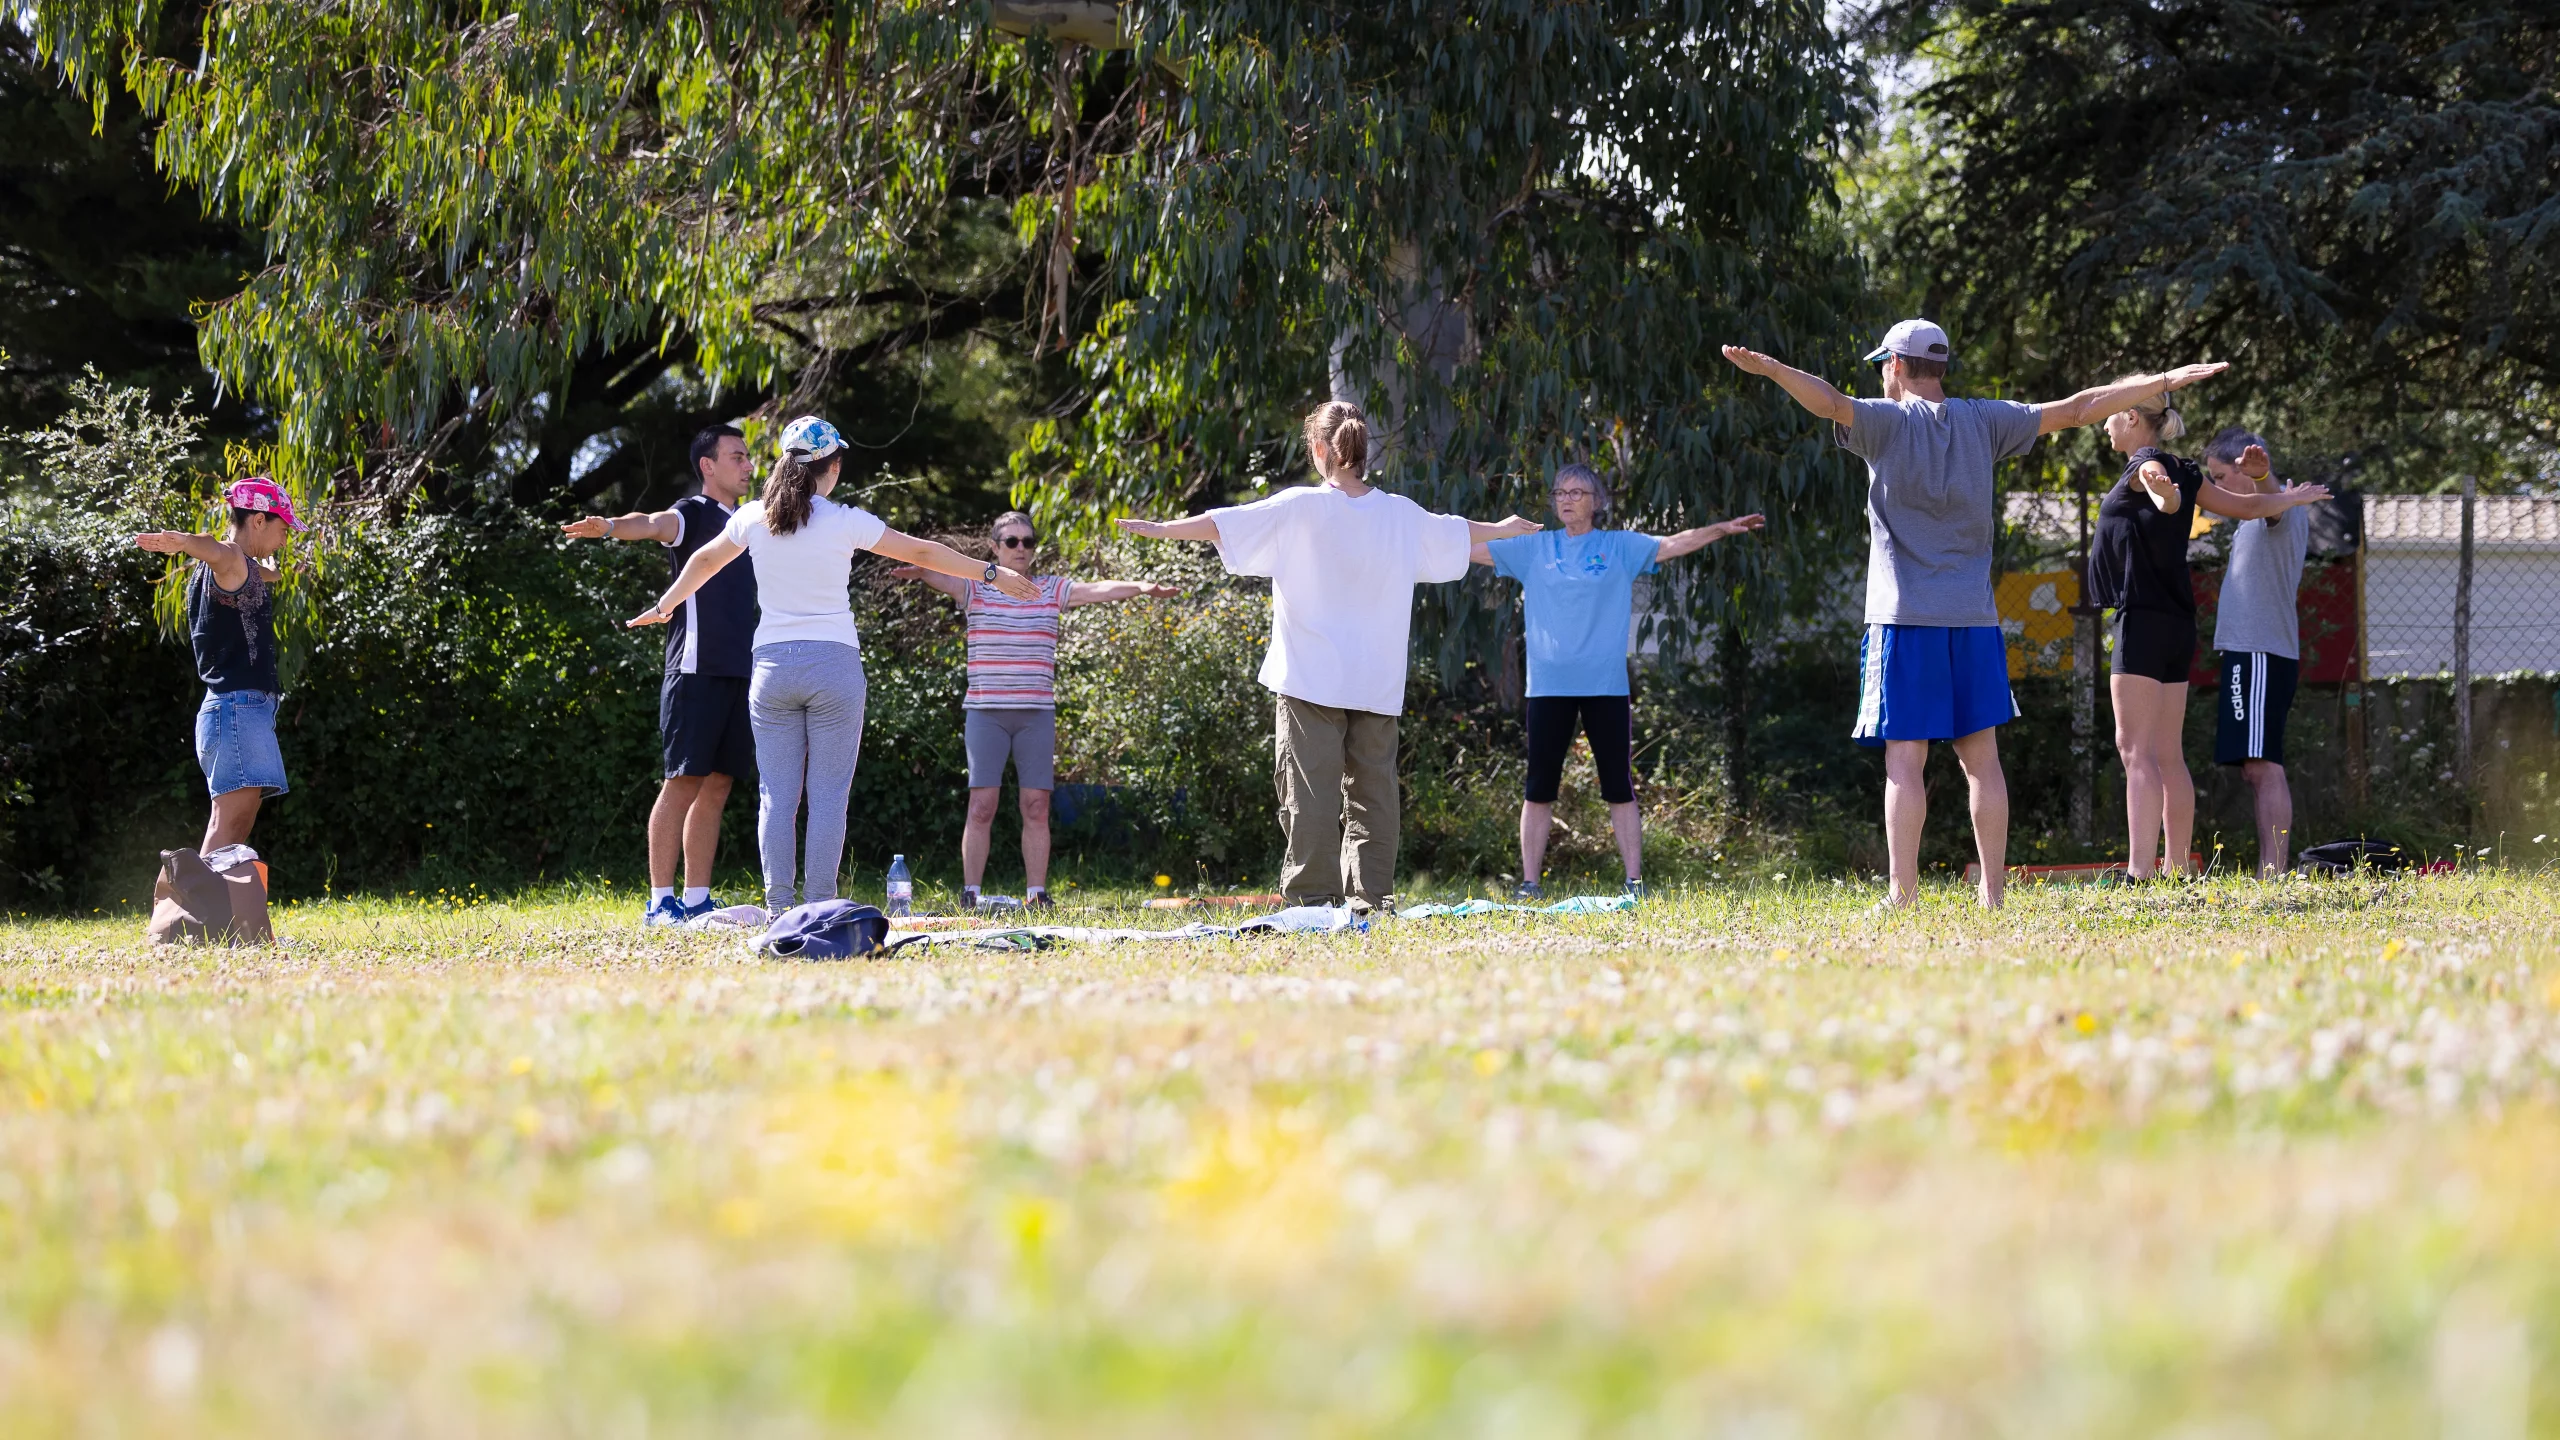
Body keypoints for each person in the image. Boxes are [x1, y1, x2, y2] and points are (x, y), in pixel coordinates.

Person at [1722, 320, 2229, 909]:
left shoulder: (1883, 423)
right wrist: (2163, 379)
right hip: (1974, 621)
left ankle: (1902, 895)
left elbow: (1829, 402)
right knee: (1982, 761)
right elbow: (2078, 408)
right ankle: (1992, 894)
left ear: (1894, 367)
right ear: (1940, 368)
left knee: (1904, 762)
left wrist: (1774, 371)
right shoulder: (1985, 419)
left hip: (1904, 621)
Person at [1117, 400, 1538, 909]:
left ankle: (1314, 902)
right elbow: (1457, 531)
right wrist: (1501, 527)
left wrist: (1165, 530)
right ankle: (1370, 897)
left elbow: (1224, 522)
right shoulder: (1401, 514)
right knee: (1374, 796)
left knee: (1309, 796)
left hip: (1309, 679)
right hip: (1376, 682)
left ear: (1320, 449)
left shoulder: (1298, 507)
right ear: (1362, 450)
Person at [630, 417, 1038, 916]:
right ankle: (819, 907)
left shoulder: (754, 517)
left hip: (772, 670)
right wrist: (989, 573)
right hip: (833, 666)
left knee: (776, 798)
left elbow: (703, 561)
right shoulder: (845, 520)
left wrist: (666, 604)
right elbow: (921, 550)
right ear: (834, 466)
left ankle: (780, 910)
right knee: (826, 799)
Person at [1472, 463, 1764, 898]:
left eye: (1577, 492)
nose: (1567, 499)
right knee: (1539, 787)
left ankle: (1635, 883)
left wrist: (1719, 529)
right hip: (1548, 688)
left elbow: (1672, 544)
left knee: (1618, 785)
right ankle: (1529, 883)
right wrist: (1478, 528)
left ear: (1597, 503)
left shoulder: (1617, 547)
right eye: (1560, 493)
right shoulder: (1534, 549)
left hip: (1605, 687)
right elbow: (1465, 549)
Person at [890, 511, 1181, 910]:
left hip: (1036, 714)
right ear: (994, 547)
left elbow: (1097, 589)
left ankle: (1036, 894)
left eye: (1028, 541)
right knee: (982, 805)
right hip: (986, 713)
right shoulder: (976, 588)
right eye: (1012, 542)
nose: (1021, 548)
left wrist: (1143, 586)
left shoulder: (1050, 589)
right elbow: (936, 570)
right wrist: (919, 569)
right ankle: (970, 895)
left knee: (1036, 805)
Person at [2088, 402, 2329, 880]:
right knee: (2169, 753)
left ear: (2133, 416)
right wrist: (2284, 497)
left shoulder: (2150, 464)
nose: (2106, 423)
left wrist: (2167, 498)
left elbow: (2165, 488)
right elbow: (2251, 507)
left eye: (2112, 414)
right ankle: (2177, 868)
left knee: (2141, 750)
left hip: (2165, 624)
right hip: (2183, 624)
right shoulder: (2196, 475)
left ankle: (2143, 871)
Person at [561, 423, 759, 926]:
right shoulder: (692, 514)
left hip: (741, 670)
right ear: (707, 466)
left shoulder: (752, 524)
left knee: (718, 786)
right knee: (683, 782)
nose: (748, 465)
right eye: (736, 456)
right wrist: (608, 526)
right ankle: (659, 903)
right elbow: (649, 522)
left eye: (748, 456)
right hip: (694, 669)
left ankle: (696, 902)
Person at [132, 477, 305, 855]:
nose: (286, 538)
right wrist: (185, 542)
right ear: (257, 520)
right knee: (230, 826)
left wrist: (277, 568)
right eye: (283, 528)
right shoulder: (227, 560)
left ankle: (200, 908)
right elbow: (216, 548)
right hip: (237, 709)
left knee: (231, 825)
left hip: (236, 710)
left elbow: (266, 573)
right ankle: (192, 909)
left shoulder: (242, 569)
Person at [2204, 429, 2315, 879]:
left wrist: (2265, 477)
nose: (2212, 489)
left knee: (2263, 765)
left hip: (2260, 655)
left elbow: (2272, 500)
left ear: (2242, 469)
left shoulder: (2278, 505)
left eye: (2217, 477)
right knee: (2256, 767)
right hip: (2249, 655)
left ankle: (2274, 872)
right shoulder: (2254, 516)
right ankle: (2273, 869)